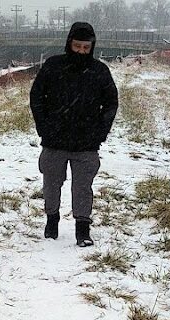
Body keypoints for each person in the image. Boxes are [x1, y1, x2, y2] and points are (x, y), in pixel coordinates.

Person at [29, 22, 118, 247]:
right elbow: (36, 97)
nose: (80, 51)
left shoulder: (100, 71)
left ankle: (83, 229)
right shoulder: (53, 66)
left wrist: (100, 133)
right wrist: (44, 127)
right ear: (69, 44)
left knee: (83, 187)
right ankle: (52, 220)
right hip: (54, 141)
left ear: (92, 47)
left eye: (85, 48)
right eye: (77, 46)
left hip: (87, 145)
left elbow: (111, 104)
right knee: (51, 183)